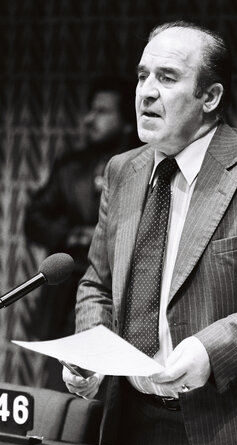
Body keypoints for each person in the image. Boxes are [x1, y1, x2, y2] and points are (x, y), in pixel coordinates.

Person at [63, 21, 237, 445]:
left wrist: (212, 349)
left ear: (211, 97)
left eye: (167, 78)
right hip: (127, 423)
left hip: (227, 431)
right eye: (142, 75)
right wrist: (91, 351)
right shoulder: (122, 171)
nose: (146, 92)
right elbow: (97, 284)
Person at [25, 76, 137, 390]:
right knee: (59, 386)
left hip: (120, 296)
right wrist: (73, 234)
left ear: (127, 120)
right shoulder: (71, 166)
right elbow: (34, 219)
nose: (90, 119)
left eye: (102, 111)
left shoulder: (145, 166)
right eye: (91, 109)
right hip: (66, 292)